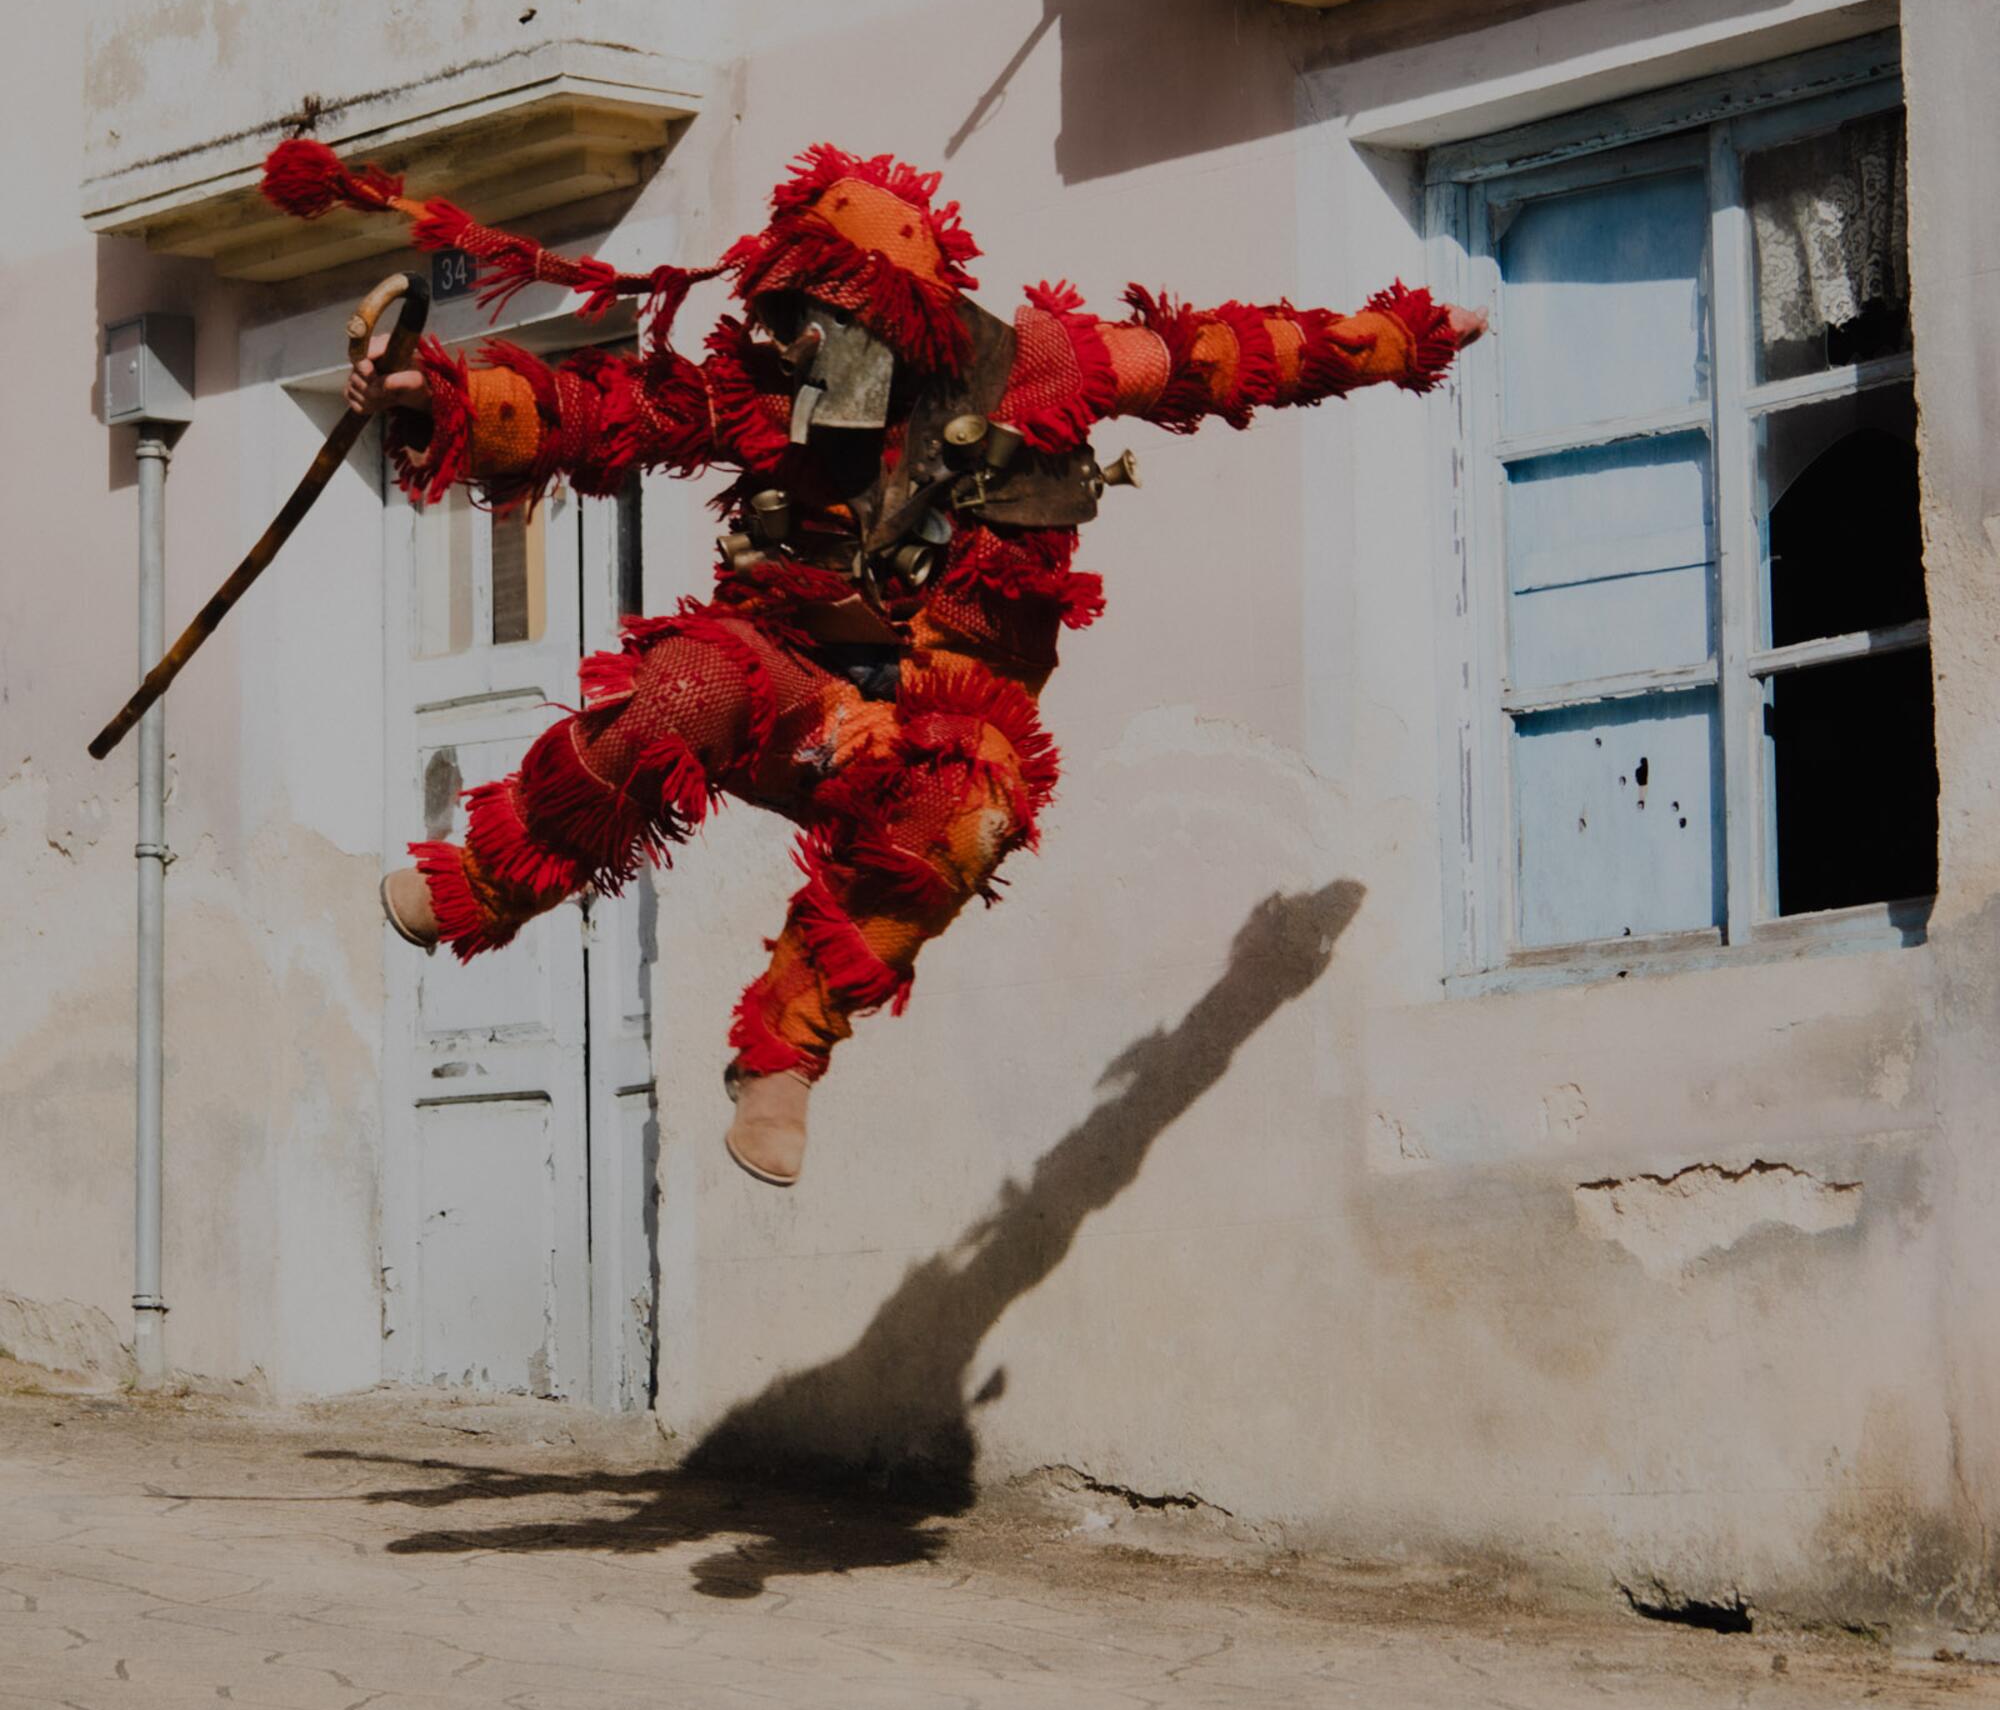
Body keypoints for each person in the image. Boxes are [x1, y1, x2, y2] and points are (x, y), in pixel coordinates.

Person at [267, 138, 1484, 1187]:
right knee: (679, 687)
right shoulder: (759, 378)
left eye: (832, 325)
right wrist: (440, 395)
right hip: (782, 662)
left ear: (908, 319)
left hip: (942, 708)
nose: (801, 348)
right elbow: (616, 412)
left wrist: (1405, 336)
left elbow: (1229, 351)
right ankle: (488, 878)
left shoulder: (1044, 366)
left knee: (968, 821)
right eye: (790, 318)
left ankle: (782, 1056)